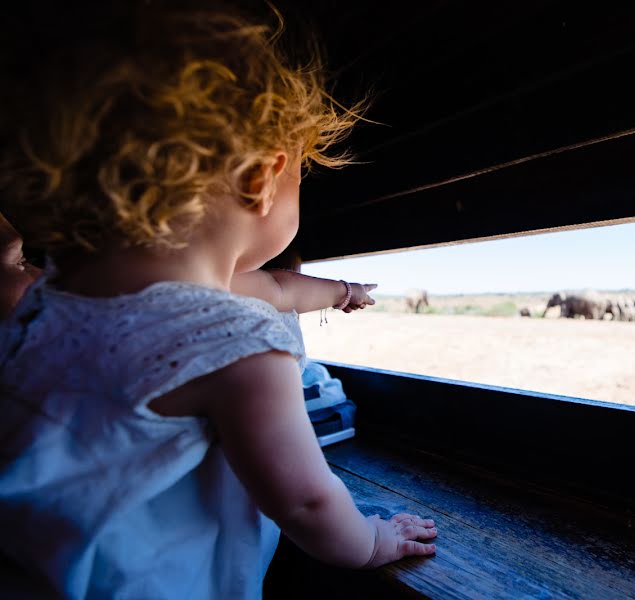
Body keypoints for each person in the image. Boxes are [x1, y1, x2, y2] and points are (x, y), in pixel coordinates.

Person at [0, 3, 436, 598]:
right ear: (261, 180)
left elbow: (280, 288)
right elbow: (307, 502)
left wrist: (341, 292)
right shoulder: (236, 347)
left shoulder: (50, 302)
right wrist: (373, 540)